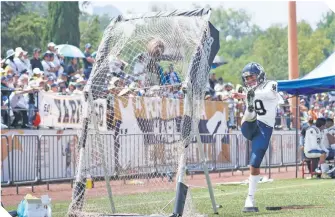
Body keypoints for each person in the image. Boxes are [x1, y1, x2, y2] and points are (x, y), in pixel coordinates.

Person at [232, 62, 279, 212]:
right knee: (250, 116)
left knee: (255, 161)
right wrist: (246, 96)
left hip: (265, 128)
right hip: (251, 124)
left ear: (260, 75)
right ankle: (251, 111)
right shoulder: (249, 90)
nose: (250, 80)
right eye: (247, 78)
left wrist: (247, 95)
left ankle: (249, 200)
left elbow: (269, 94)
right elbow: (250, 93)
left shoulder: (271, 84)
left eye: (252, 77)